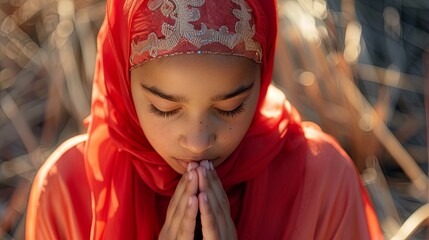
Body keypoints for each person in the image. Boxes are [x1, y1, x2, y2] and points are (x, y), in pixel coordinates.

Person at [26, 0, 383, 239]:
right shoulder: (69, 191)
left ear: (262, 80)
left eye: (230, 107)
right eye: (165, 108)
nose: (198, 141)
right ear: (122, 80)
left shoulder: (321, 182)